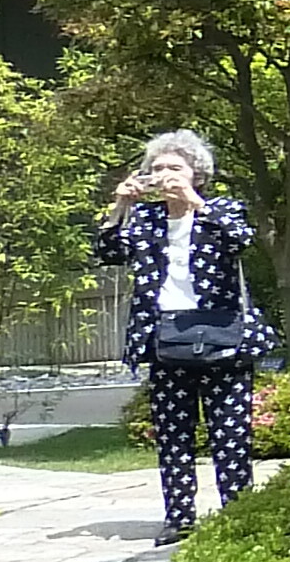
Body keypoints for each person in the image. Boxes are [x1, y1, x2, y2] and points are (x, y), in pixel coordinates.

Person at [93, 131, 279, 540]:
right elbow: (109, 252)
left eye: (174, 168)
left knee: (230, 434)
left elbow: (239, 240)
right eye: (156, 168)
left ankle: (238, 515)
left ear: (197, 174)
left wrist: (195, 204)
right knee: (173, 434)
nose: (164, 175)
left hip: (222, 336)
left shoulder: (222, 209)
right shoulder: (145, 218)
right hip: (165, 336)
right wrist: (120, 206)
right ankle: (179, 517)